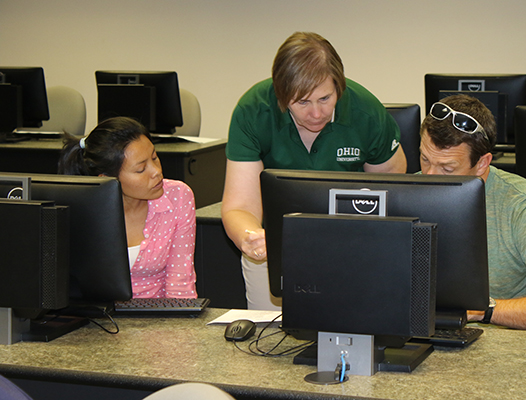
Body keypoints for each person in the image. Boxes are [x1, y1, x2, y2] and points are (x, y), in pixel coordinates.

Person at [222, 32, 407, 310]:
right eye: (302, 102)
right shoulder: (254, 110)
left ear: (338, 87)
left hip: (353, 244)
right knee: (268, 336)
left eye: (325, 98)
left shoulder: (366, 112)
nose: (317, 114)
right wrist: (251, 238)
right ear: (281, 96)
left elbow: (393, 191)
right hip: (274, 247)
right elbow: (240, 206)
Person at [419, 94, 526, 330]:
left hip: (504, 343)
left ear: (483, 163)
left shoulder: (520, 202)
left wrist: (484, 310)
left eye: (447, 168)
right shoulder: (406, 191)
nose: (430, 176)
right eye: (425, 159)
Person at [58, 116, 197, 299]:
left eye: (155, 158)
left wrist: (178, 326)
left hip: (159, 319)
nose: (156, 172)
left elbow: (180, 285)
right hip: (100, 319)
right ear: (106, 179)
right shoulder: (84, 209)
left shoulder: (178, 196)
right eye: (141, 169)